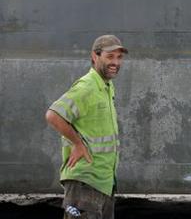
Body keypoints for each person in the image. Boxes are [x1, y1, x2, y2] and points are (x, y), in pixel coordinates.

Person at [45, 35, 128, 219]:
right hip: (85, 181)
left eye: (119, 57)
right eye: (110, 56)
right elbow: (53, 115)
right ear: (95, 56)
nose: (115, 62)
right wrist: (78, 144)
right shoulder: (87, 87)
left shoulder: (106, 86)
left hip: (103, 182)